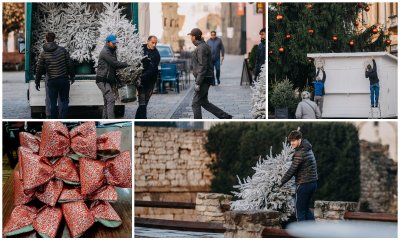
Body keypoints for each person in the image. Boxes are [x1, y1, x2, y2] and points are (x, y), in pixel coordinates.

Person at [187, 28, 232, 119]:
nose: (190, 38)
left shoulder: (201, 48)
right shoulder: (202, 46)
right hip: (205, 77)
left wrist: (198, 82)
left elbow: (203, 66)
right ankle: (225, 116)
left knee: (195, 103)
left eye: (191, 36)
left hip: (204, 79)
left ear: (194, 37)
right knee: (204, 102)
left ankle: (197, 124)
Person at [280, 130, 318, 222]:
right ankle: (314, 232)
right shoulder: (308, 148)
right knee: (305, 209)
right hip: (313, 183)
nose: (291, 143)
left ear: (299, 140)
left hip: (304, 184)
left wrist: (281, 182)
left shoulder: (300, 153)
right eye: (290, 141)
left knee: (299, 211)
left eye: (293, 141)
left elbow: (292, 170)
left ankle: (301, 234)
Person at [35, 32, 74, 119]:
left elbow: (39, 68)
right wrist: (72, 76)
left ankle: (53, 120)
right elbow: (69, 63)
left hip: (52, 81)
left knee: (52, 102)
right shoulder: (62, 50)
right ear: (54, 38)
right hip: (63, 79)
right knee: (64, 101)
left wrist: (37, 81)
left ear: (46, 39)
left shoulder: (43, 53)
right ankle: (63, 118)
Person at [96, 34, 129, 119]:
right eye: (113, 43)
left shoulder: (111, 50)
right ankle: (111, 119)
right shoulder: (105, 52)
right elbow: (114, 63)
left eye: (115, 43)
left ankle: (105, 120)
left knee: (107, 101)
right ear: (107, 42)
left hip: (107, 80)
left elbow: (112, 68)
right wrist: (126, 64)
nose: (115, 44)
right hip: (102, 80)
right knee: (110, 100)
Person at [135, 36, 161, 119]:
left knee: (145, 102)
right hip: (141, 81)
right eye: (152, 42)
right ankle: (142, 119)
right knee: (142, 102)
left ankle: (138, 119)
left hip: (150, 80)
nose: (154, 45)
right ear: (148, 41)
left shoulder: (156, 54)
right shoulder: (141, 48)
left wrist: (141, 77)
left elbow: (152, 70)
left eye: (155, 43)